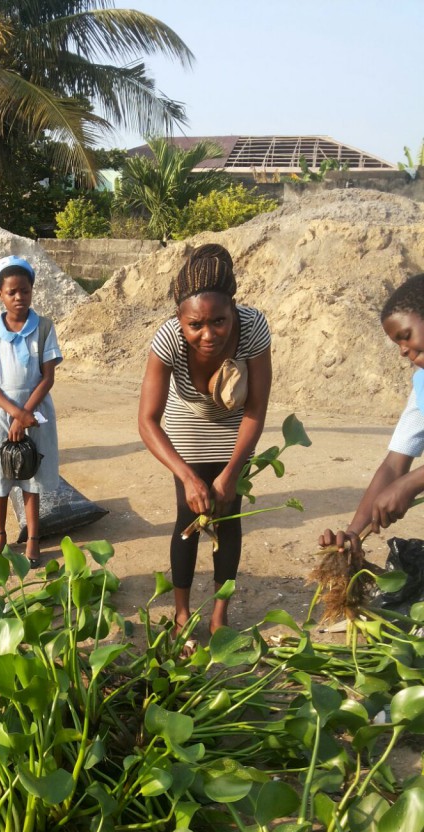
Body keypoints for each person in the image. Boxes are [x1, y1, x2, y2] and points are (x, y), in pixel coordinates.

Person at [138, 244, 272, 634]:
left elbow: (256, 409)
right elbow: (147, 421)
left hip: (235, 427)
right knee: (190, 516)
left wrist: (232, 471)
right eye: (195, 325)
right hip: (186, 426)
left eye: (219, 321)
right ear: (179, 320)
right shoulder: (167, 341)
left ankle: (219, 615)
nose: (208, 334)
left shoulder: (254, 327)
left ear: (233, 310)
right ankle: (181, 614)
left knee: (228, 518)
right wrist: (187, 477)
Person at [319, 273, 424, 554]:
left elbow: (404, 478)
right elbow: (394, 463)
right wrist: (354, 534)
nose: (402, 351)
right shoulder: (422, 385)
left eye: (406, 336)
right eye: (397, 344)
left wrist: (413, 482)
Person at [0, 256, 62, 567]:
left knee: (30, 474)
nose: (19, 297)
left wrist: (25, 415)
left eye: (24, 290)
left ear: (32, 290)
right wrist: (15, 415)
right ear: (0, 295)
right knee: (0, 475)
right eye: (12, 292)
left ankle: (34, 536)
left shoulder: (45, 327)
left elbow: (47, 377)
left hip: (35, 411)